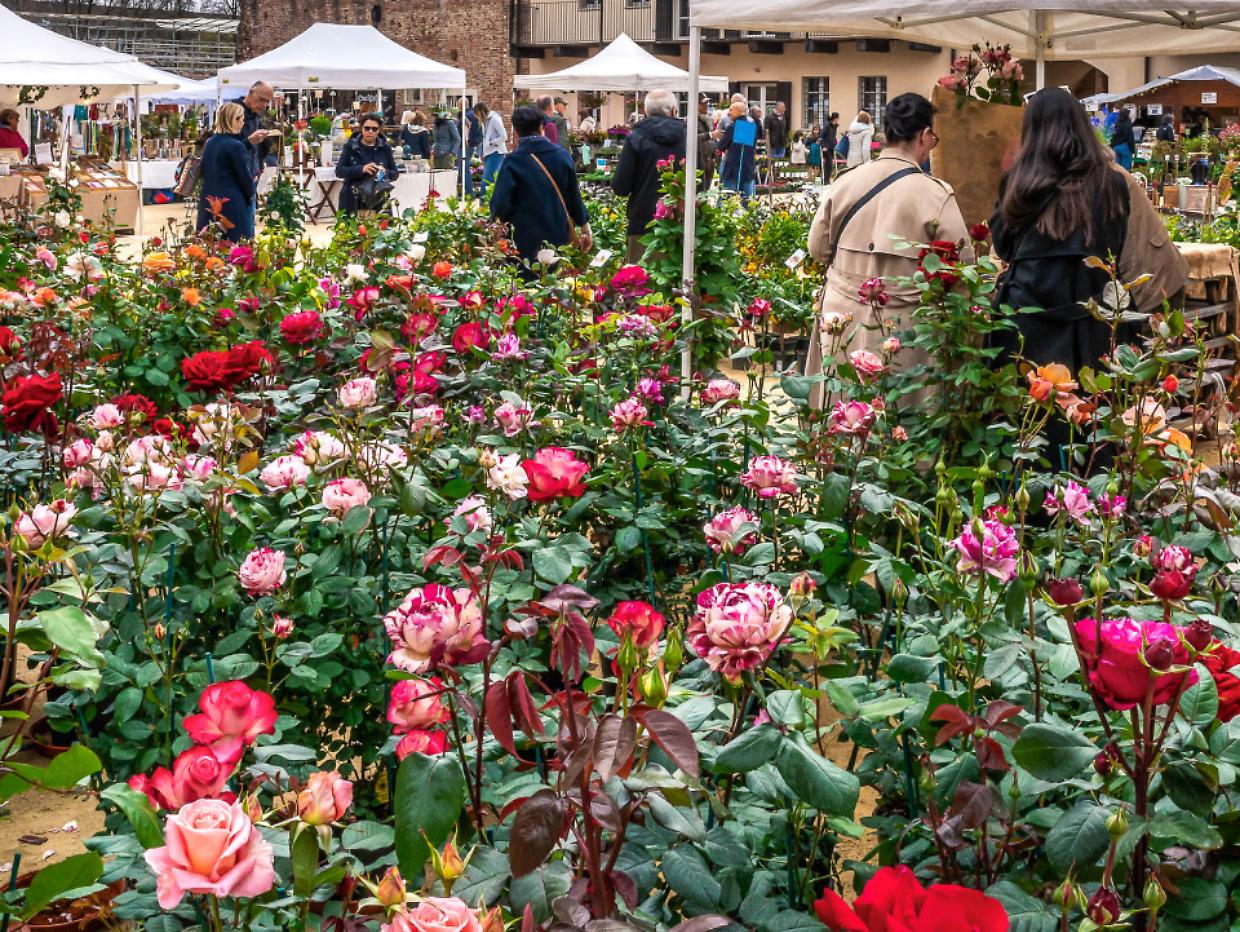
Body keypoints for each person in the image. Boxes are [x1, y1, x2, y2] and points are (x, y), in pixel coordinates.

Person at [989, 87, 1188, 424]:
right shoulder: (1113, 183)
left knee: (1029, 428)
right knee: (1094, 429)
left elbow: (1003, 247)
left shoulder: (1017, 183)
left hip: (1028, 328)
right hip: (1095, 327)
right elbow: (1138, 256)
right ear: (1082, 126)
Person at [805, 92, 971, 408]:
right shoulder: (935, 194)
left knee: (842, 412)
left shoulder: (847, 182)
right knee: (901, 422)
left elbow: (817, 248)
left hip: (842, 320)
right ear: (925, 136)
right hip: (905, 331)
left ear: (886, 134)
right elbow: (960, 269)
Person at [489, 104, 592, 271]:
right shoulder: (562, 156)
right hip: (556, 234)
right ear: (541, 127)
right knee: (554, 285)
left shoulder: (513, 161)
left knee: (523, 288)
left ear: (515, 132)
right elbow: (574, 197)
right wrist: (585, 229)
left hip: (522, 238)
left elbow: (499, 204)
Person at [611, 88, 686, 263]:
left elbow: (620, 187)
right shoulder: (688, 137)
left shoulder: (636, 138)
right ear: (674, 110)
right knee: (680, 284)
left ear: (645, 112)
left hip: (643, 222)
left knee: (641, 283)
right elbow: (701, 180)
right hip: (682, 222)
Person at [196, 103, 256, 243]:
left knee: (209, 244)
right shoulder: (236, 146)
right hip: (231, 201)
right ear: (233, 119)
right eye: (241, 118)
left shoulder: (210, 142)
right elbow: (244, 178)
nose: (243, 122)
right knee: (234, 245)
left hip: (209, 198)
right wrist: (251, 194)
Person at [335, 112, 399, 215]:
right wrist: (361, 169)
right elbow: (339, 171)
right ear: (361, 128)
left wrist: (384, 171)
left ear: (379, 130)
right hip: (353, 198)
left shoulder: (385, 148)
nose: (370, 131)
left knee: (379, 230)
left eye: (374, 129)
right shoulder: (350, 146)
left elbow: (395, 174)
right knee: (352, 230)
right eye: (367, 128)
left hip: (378, 199)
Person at [718, 101, 758, 203]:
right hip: (748, 169)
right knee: (747, 202)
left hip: (733, 170)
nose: (728, 113)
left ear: (737, 112)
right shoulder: (751, 126)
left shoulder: (732, 127)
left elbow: (721, 146)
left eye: (731, 110)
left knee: (726, 201)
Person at [238, 81, 275, 181]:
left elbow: (259, 148)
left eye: (268, 101)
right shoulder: (233, 111)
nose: (264, 105)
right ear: (250, 92)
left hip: (253, 176)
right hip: (234, 178)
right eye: (262, 99)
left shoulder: (258, 114)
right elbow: (224, 148)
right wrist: (249, 141)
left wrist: (259, 166)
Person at [476, 102, 508, 195]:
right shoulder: (486, 121)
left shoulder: (494, 119)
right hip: (489, 154)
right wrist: (483, 152)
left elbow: (504, 136)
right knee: (488, 181)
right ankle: (485, 205)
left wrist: (491, 143)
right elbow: (485, 137)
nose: (477, 118)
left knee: (487, 182)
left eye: (477, 115)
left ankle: (484, 205)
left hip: (496, 153)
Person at [696, 95, 716, 190]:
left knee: (706, 193)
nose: (706, 105)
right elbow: (692, 139)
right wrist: (710, 135)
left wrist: (714, 157)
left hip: (709, 161)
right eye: (703, 103)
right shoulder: (692, 120)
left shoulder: (708, 118)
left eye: (707, 103)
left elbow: (711, 141)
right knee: (700, 192)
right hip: (699, 161)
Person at [463, 100, 483, 195]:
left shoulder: (466, 115)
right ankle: (469, 192)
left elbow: (468, 127)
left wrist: (467, 140)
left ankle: (469, 192)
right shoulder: (472, 115)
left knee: (464, 169)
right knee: (465, 168)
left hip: (467, 145)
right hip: (473, 144)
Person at [819, 112, 840, 183]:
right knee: (828, 165)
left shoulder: (835, 126)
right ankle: (825, 181)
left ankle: (827, 180)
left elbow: (833, 136)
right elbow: (821, 136)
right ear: (835, 118)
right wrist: (823, 146)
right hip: (826, 148)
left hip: (831, 147)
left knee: (829, 165)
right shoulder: (827, 125)